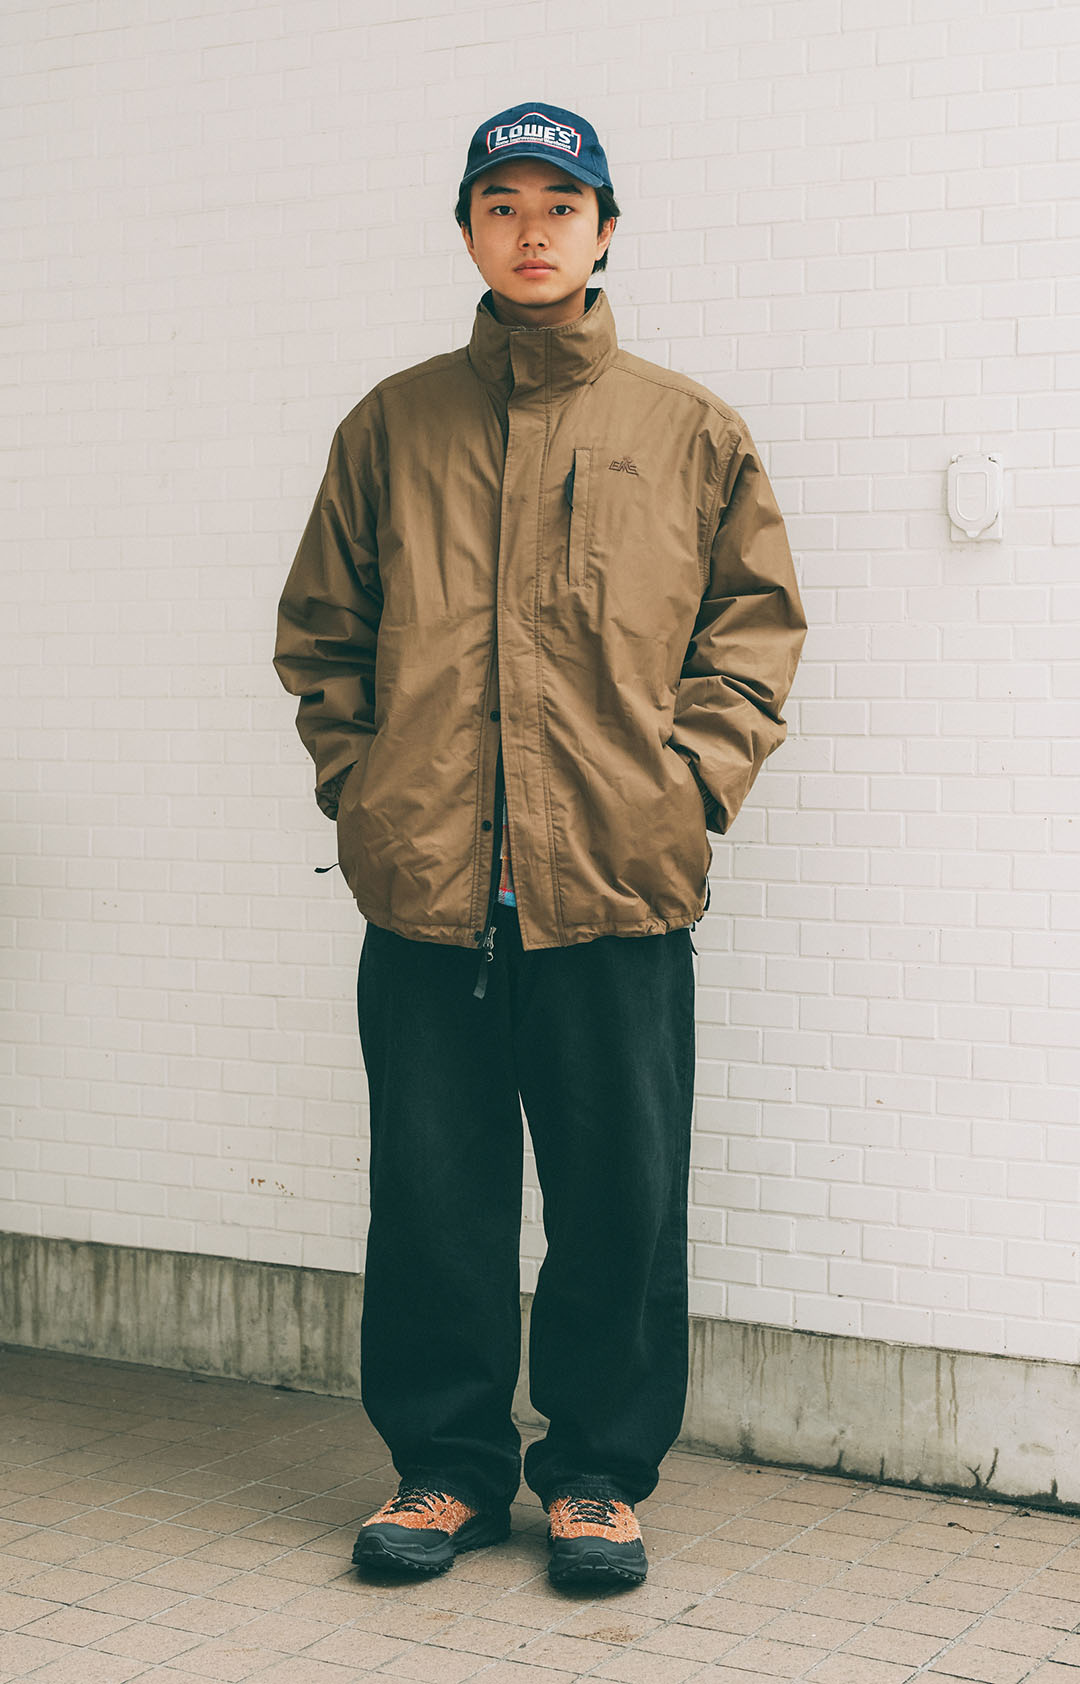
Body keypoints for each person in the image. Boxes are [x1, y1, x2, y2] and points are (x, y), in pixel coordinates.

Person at [273, 100, 806, 1591]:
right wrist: (366, 790)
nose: (531, 232)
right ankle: (444, 1472)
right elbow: (322, 636)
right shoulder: (392, 427)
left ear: (605, 229)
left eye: (558, 207)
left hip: (618, 892)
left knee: (619, 1203)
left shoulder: (688, 431)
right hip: (429, 897)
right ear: (466, 232)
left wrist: (686, 788)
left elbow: (752, 636)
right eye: (501, 206)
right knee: (431, 1205)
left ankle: (596, 1477)